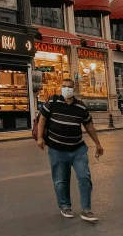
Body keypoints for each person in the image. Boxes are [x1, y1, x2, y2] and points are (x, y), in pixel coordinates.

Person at [37, 79, 104, 222]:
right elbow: (42, 119)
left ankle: (86, 209)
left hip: (78, 149)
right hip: (57, 149)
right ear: (61, 88)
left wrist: (98, 143)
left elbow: (89, 125)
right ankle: (65, 206)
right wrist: (40, 137)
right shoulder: (53, 102)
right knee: (61, 180)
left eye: (69, 87)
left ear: (74, 89)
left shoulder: (80, 107)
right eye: (64, 87)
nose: (66, 89)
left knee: (84, 177)